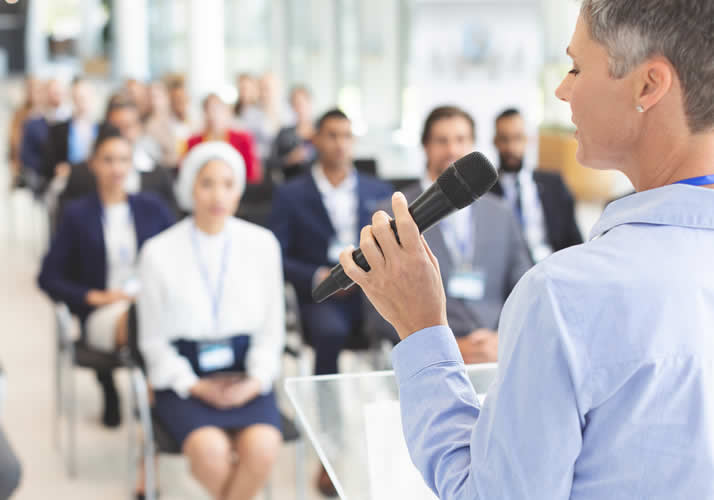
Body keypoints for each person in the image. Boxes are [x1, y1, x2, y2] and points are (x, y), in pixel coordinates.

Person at [339, 1, 714, 498]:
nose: (563, 89)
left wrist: (421, 329)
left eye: (577, 67)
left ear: (648, 85)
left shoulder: (568, 295)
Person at [138, 141, 284, 500]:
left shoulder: (263, 244)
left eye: (228, 183)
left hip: (245, 370)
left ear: (239, 190)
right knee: (210, 453)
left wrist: (256, 380)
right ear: (190, 188)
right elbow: (152, 342)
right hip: (185, 376)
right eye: (207, 183)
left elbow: (272, 330)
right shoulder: (157, 251)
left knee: (264, 448)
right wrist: (193, 385)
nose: (218, 194)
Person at [269, 109, 392, 496]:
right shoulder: (291, 194)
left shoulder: (378, 189)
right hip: (322, 293)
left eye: (347, 136)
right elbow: (277, 253)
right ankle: (329, 449)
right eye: (332, 135)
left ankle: (404, 438)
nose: (340, 144)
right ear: (317, 141)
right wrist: (316, 277)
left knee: (406, 332)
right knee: (329, 335)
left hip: (372, 291)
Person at [37, 125, 175, 431]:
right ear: (94, 164)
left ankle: (158, 402)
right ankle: (153, 408)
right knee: (142, 320)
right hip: (104, 313)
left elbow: (179, 256)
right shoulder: (77, 214)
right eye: (108, 160)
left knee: (157, 316)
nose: (116, 168)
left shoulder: (151, 207)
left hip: (152, 303)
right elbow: (48, 277)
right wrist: (93, 297)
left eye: (123, 159)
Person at [370, 106, 532, 364]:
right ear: (425, 147)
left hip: (496, 352)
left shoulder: (500, 212)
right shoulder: (392, 213)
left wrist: (504, 337)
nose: (452, 150)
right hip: (425, 353)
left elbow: (524, 284)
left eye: (461, 140)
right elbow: (376, 300)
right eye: (441, 141)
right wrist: (442, 346)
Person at [59, 94, 180, 217]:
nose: (122, 134)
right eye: (116, 127)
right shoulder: (81, 174)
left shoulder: (158, 174)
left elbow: (171, 217)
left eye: (128, 126)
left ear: (139, 128)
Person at [490, 108, 583, 262]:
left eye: (517, 138)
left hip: (550, 265)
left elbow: (574, 240)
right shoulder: (486, 192)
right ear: (495, 142)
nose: (511, 147)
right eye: (504, 139)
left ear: (528, 140)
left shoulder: (554, 185)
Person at [41, 76, 98, 214]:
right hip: (68, 187)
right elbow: (48, 164)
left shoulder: (102, 128)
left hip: (95, 185)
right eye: (77, 98)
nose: (81, 102)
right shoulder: (58, 130)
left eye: (84, 98)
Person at [188, 93, 262, 185]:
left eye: (217, 109)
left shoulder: (243, 139)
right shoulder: (193, 142)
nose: (213, 115)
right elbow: (189, 175)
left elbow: (252, 175)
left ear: (227, 112)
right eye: (208, 110)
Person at [19, 78, 70, 192]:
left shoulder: (71, 123)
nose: (55, 97)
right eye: (52, 93)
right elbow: (26, 156)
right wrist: (51, 169)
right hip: (41, 180)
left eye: (58, 93)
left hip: (69, 178)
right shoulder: (33, 124)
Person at [268, 85, 317, 181]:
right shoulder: (284, 133)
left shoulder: (321, 133)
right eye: (296, 104)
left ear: (310, 103)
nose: (300, 108)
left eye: (303, 103)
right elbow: (270, 163)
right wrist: (289, 159)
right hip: (291, 181)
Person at [8, 75, 42, 185]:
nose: (32, 92)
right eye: (29, 89)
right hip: (22, 170)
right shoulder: (18, 115)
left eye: (35, 89)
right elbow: (13, 144)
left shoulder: (45, 114)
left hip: (41, 171)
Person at [145, 81, 182, 167]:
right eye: (150, 97)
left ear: (167, 97)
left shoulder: (177, 120)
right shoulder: (148, 126)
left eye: (157, 97)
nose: (154, 102)